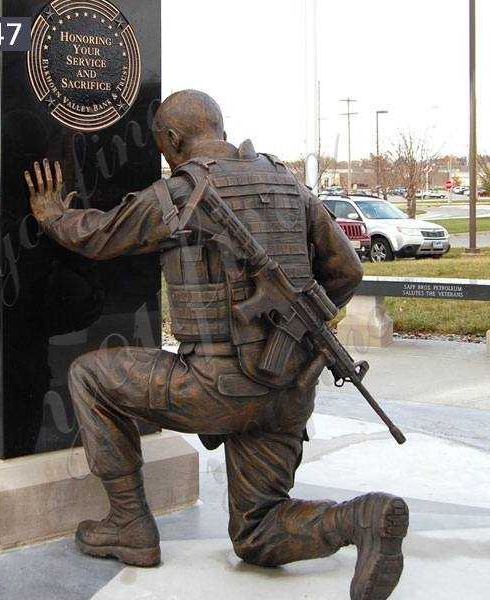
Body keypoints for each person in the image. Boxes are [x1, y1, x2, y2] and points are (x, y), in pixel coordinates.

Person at [26, 90, 408, 600]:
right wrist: (298, 326)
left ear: (171, 140)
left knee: (89, 376)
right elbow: (347, 270)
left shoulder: (182, 193)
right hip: (288, 390)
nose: (163, 155)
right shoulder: (289, 184)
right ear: (221, 128)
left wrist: (52, 216)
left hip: (213, 388)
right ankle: (361, 518)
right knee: (257, 533)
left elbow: (100, 234)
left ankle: (129, 524)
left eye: (163, 146)